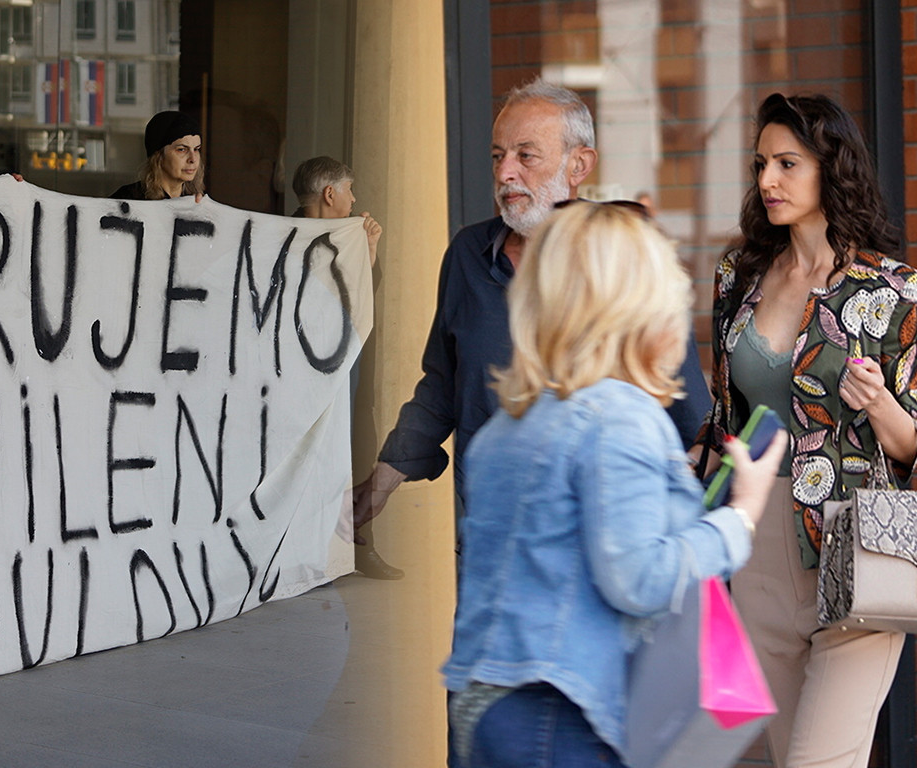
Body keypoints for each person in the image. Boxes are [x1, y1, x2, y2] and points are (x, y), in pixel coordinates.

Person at [444, 200, 784, 768]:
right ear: (642, 309)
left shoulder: (508, 426)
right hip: (561, 711)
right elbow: (639, 578)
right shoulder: (618, 417)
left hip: (486, 703)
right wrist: (739, 516)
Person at [352, 78, 711, 534]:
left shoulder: (620, 267)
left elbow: (688, 415)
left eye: (526, 155)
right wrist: (384, 480)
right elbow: (444, 385)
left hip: (600, 551)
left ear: (579, 164)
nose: (505, 173)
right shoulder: (468, 255)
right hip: (489, 538)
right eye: (498, 156)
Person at [697, 92, 916, 768]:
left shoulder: (892, 291)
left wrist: (878, 403)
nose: (768, 180)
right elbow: (723, 417)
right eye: (762, 163)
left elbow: (911, 445)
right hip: (757, 547)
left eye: (788, 164)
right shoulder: (738, 277)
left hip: (855, 544)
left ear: (831, 169)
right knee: (782, 755)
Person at [291, 156, 397, 578]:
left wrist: (367, 253)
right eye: (349, 190)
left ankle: (354, 545)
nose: (355, 200)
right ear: (330, 194)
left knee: (353, 449)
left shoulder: (350, 236)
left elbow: (360, 299)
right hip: (304, 370)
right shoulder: (282, 237)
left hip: (345, 366)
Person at [111, 111, 204, 200]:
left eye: (196, 149)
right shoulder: (128, 199)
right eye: (182, 149)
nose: (193, 159)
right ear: (158, 155)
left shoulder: (196, 202)